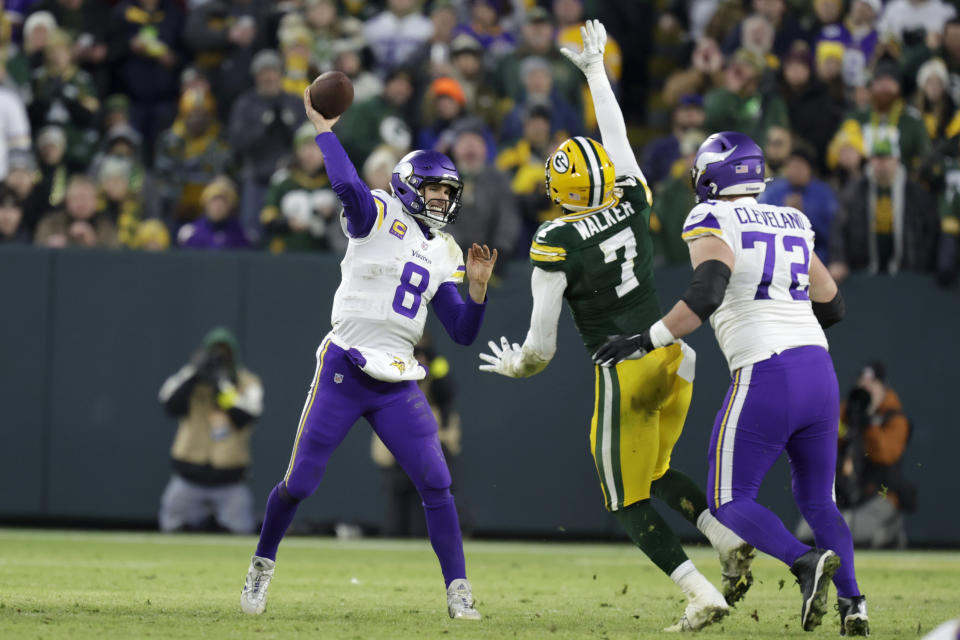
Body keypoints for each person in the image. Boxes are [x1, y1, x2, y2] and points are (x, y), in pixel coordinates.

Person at [476, 21, 753, 632]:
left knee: (624, 500)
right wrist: (596, 72)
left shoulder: (556, 239)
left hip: (624, 368)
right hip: (676, 355)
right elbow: (618, 136)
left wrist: (515, 365)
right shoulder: (632, 197)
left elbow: (542, 349)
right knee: (653, 473)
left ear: (564, 190)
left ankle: (700, 592)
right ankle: (725, 538)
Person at [592, 129, 869, 635]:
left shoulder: (711, 215)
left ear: (714, 173)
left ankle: (803, 563)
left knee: (729, 501)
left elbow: (706, 293)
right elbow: (832, 302)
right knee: (819, 501)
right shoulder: (793, 218)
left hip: (768, 369)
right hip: (819, 370)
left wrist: (644, 339)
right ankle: (855, 605)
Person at [239, 83, 499, 621]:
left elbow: (463, 332)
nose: (442, 200)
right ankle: (261, 566)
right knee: (300, 483)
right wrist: (325, 131)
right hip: (346, 363)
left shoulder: (443, 249)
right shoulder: (375, 212)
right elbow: (346, 185)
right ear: (407, 186)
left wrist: (476, 292)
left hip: (397, 377)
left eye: (448, 193)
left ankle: (458, 591)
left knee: (436, 481)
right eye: (433, 190)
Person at [157, 327, 263, 533]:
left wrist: (222, 384)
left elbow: (247, 415)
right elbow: (169, 403)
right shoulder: (190, 376)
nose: (218, 359)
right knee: (171, 529)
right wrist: (193, 374)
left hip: (230, 482)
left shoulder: (246, 381)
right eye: (214, 353)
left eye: (224, 354)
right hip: (188, 478)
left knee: (240, 532)